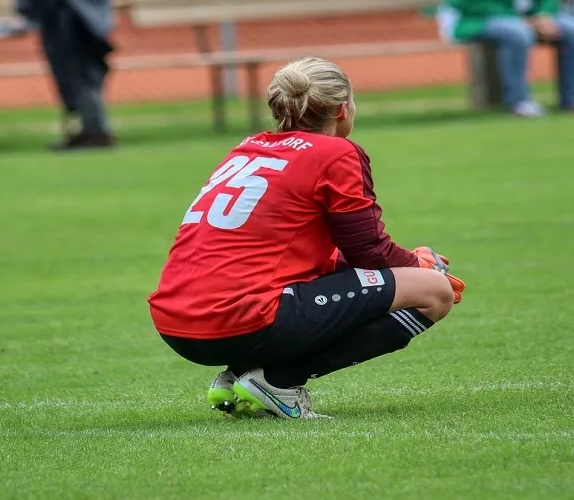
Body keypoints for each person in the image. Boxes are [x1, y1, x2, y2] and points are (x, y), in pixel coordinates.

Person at [147, 57, 467, 420]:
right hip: (239, 318)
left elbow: (299, 255)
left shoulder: (247, 149)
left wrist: (408, 261)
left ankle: (238, 374)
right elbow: (368, 251)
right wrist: (418, 265)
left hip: (176, 322)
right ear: (342, 109)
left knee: (398, 280)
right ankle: (279, 381)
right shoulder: (336, 152)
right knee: (435, 291)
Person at [440, 0, 574, 117]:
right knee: (517, 33)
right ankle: (519, 102)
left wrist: (543, 15)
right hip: (475, 19)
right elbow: (471, 5)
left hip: (528, 19)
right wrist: (521, 20)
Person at [16, 0, 115, 151]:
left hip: (72, 21)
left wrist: (29, 12)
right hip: (80, 21)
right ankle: (90, 130)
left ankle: (95, 132)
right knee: (82, 78)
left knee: (81, 78)